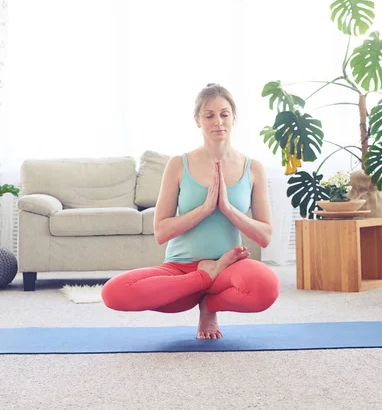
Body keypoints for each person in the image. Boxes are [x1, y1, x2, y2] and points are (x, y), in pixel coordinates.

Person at [101, 83, 280, 339]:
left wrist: (227, 209)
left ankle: (210, 304)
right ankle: (203, 280)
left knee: (266, 287)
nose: (218, 121)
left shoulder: (253, 168)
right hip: (180, 272)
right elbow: (161, 232)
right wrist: (205, 209)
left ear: (234, 118)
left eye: (224, 114)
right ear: (197, 120)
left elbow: (265, 235)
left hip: (228, 268)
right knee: (114, 292)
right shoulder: (178, 164)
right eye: (209, 115)